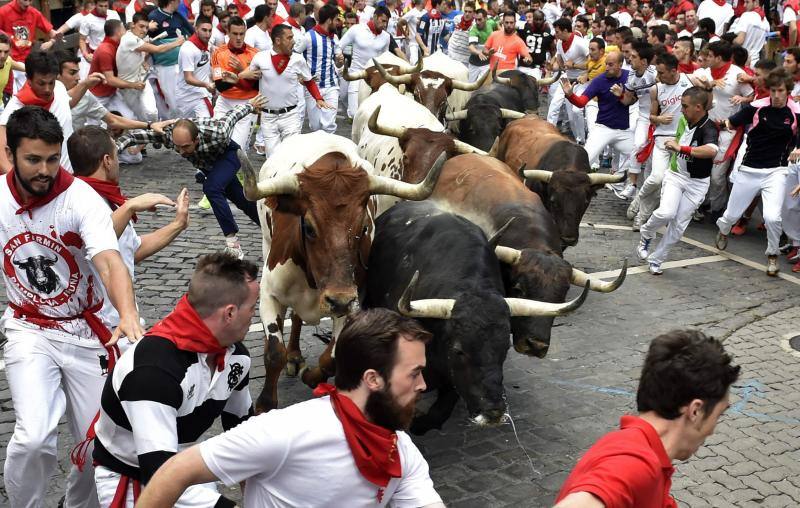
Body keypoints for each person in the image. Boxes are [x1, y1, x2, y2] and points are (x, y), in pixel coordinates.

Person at [136, 308, 445, 508]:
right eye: (414, 373)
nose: (423, 386)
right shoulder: (284, 431)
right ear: (373, 379)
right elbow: (173, 472)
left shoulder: (399, 449)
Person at [0, 106, 143, 508]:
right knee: (32, 436)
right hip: (30, 329)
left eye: (51, 158)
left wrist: (128, 313)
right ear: (10, 155)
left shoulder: (82, 199)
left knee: (95, 444)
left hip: (87, 333)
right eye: (32, 159)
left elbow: (110, 261)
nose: (44, 169)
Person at [91, 252, 256, 507]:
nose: (254, 315)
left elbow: (242, 428)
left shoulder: (237, 357)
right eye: (253, 307)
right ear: (230, 313)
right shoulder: (153, 372)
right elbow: (160, 475)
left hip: (187, 469)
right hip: (136, 479)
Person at [555, 329, 740, 507]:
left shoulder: (650, 458)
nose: (713, 429)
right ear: (695, 411)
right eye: (719, 415)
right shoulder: (635, 464)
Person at [117, 94, 267, 258]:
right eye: (177, 147)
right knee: (242, 200)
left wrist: (250, 105)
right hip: (210, 167)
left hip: (229, 156)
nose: (181, 152)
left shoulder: (217, 131)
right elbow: (132, 137)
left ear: (196, 140)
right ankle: (273, 228)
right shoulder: (168, 135)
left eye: (186, 147)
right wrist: (113, 150)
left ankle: (233, 244)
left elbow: (232, 116)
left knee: (211, 188)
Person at [715, 68, 800, 276]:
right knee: (730, 215)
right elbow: (730, 123)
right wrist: (721, 124)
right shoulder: (756, 107)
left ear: (787, 91)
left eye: (781, 91)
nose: (776, 95)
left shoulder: (795, 111)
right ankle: (724, 229)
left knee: (772, 217)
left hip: (776, 172)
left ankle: (772, 256)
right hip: (749, 170)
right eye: (773, 90)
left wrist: (798, 148)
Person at [636, 87, 718, 275]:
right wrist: (675, 145)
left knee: (679, 225)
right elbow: (678, 139)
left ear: (698, 107)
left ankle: (657, 259)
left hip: (697, 184)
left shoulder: (709, 128)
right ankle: (646, 233)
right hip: (676, 176)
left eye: (685, 106)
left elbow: (711, 150)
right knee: (666, 213)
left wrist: (681, 148)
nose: (681, 110)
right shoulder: (684, 119)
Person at [241, 24, 333, 155]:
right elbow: (248, 76)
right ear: (278, 41)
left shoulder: (298, 59)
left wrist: (318, 98)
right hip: (268, 117)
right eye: (289, 38)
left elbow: (309, 81)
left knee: (291, 154)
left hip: (291, 116)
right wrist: (241, 75)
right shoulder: (260, 57)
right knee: (272, 157)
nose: (293, 41)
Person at [631, 53, 696, 229]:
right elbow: (651, 116)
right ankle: (639, 198)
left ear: (674, 71)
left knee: (666, 183)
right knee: (656, 178)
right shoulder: (656, 89)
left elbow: (707, 99)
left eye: (662, 73)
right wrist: (659, 119)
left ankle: (641, 216)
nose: (658, 77)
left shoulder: (690, 80)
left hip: (682, 140)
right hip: (661, 138)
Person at [693, 40, 752, 216]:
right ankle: (700, 203)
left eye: (710, 56)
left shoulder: (737, 74)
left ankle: (717, 208)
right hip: (704, 127)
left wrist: (743, 100)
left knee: (717, 175)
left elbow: (753, 96)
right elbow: (690, 78)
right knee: (699, 167)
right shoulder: (704, 72)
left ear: (719, 58)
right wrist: (706, 84)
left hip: (727, 130)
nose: (706, 58)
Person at [0, 50, 75, 173]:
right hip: (41, 182)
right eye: (41, 83)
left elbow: (67, 104)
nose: (47, 89)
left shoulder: (60, 88)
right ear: (28, 79)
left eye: (51, 83)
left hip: (69, 176)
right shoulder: (16, 107)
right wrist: (19, 183)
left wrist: (86, 85)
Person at [562, 51, 632, 179]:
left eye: (610, 65)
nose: (607, 68)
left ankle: (619, 179)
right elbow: (581, 102)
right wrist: (570, 95)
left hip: (624, 131)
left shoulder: (630, 77)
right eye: (606, 64)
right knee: (582, 161)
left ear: (620, 65)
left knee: (638, 156)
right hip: (603, 129)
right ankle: (568, 183)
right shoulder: (599, 81)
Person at [117, 11, 185, 123]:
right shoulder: (129, 39)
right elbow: (158, 49)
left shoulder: (137, 38)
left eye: (146, 27)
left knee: (152, 113)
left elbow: (138, 54)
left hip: (143, 81)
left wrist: (142, 62)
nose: (144, 30)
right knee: (138, 119)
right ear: (132, 25)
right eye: (141, 26)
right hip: (128, 86)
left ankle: (154, 135)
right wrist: (176, 43)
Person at [211, 15, 259, 150]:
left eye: (242, 34)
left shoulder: (255, 54)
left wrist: (239, 72)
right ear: (227, 33)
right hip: (225, 102)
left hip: (247, 103)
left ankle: (236, 170)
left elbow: (258, 85)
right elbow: (220, 86)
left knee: (238, 147)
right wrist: (243, 74)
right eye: (235, 34)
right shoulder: (218, 53)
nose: (238, 38)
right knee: (217, 140)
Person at [617, 40, 656, 201]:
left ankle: (647, 191)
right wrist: (620, 94)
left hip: (660, 118)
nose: (629, 59)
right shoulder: (631, 76)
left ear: (644, 61)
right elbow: (628, 101)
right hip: (643, 116)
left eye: (633, 56)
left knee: (653, 159)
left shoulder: (655, 74)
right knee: (638, 144)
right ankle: (632, 184)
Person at [336, 6, 391, 120]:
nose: (385, 25)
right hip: (355, 74)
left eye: (387, 22)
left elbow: (385, 58)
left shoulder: (386, 37)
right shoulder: (356, 29)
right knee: (345, 99)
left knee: (360, 114)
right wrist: (339, 56)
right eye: (383, 20)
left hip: (373, 77)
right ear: (375, 17)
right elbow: (339, 46)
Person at [87, 19, 143, 119]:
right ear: (118, 32)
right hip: (98, 97)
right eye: (124, 30)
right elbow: (110, 80)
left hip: (112, 94)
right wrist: (133, 85)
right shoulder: (105, 50)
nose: (126, 33)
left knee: (130, 117)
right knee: (96, 127)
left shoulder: (117, 46)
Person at [148, 0, 195, 118]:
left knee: (184, 97)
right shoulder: (154, 17)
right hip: (164, 67)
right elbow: (143, 40)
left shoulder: (178, 16)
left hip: (182, 65)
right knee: (171, 100)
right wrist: (149, 29)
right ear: (172, 1)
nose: (180, 3)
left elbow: (193, 33)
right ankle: (173, 126)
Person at [301, 3, 344, 134]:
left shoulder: (334, 37)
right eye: (336, 19)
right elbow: (294, 56)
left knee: (329, 125)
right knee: (315, 127)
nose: (338, 22)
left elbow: (338, 63)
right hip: (312, 87)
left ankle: (328, 152)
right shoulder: (308, 37)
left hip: (332, 85)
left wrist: (339, 61)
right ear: (329, 20)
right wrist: (300, 76)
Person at [0, 0, 59, 94]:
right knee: (9, 94)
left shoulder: (34, 13)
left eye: (30, 0)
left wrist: (51, 42)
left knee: (26, 95)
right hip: (7, 61)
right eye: (25, 0)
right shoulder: (3, 12)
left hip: (26, 62)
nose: (27, 3)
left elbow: (54, 34)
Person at [548, 18, 590, 144]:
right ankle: (549, 135)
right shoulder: (559, 43)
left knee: (575, 113)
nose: (555, 34)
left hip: (581, 79)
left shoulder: (580, 43)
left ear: (565, 30)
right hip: (567, 78)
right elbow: (561, 64)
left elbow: (592, 63)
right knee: (554, 105)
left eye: (557, 31)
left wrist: (575, 66)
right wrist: (555, 66)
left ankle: (581, 140)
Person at [176, 16, 215, 118]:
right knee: (185, 131)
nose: (208, 34)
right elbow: (188, 78)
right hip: (185, 97)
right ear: (196, 29)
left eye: (210, 31)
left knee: (207, 127)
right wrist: (206, 84)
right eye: (204, 30)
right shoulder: (188, 48)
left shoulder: (208, 45)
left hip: (201, 96)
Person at [79, 0, 122, 79]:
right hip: (96, 54)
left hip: (115, 52)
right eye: (101, 6)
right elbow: (82, 39)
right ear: (95, 5)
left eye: (106, 6)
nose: (103, 9)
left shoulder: (114, 14)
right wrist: (86, 55)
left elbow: (121, 32)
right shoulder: (87, 19)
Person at [517, 9, 553, 80]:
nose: (538, 22)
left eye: (540, 19)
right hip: (522, 65)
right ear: (533, 18)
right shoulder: (524, 27)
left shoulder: (549, 31)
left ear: (544, 19)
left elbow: (553, 49)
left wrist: (550, 63)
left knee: (533, 84)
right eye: (536, 19)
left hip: (537, 68)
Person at [732, 0, 769, 67]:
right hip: (756, 63)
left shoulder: (746, 15)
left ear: (756, 3)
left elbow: (739, 41)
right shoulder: (766, 22)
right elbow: (764, 47)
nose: (744, 5)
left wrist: (730, 40)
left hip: (741, 61)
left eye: (747, 2)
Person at [466, 8, 496, 82]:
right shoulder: (474, 30)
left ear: (485, 18)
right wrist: (479, 52)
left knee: (483, 87)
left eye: (479, 19)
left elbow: (498, 25)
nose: (477, 22)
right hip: (474, 64)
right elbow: (471, 47)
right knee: (471, 88)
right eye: (475, 20)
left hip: (487, 64)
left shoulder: (491, 23)